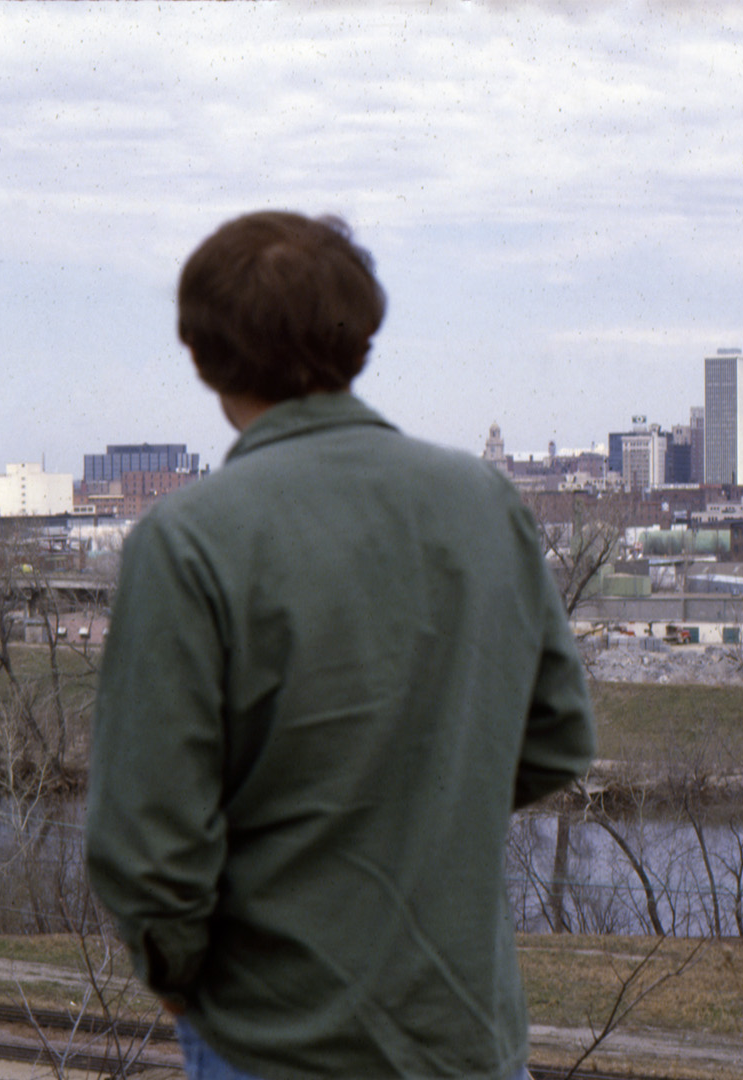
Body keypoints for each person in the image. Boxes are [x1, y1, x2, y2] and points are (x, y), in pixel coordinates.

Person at [85, 210, 595, 1080]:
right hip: (465, 1034)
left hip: (272, 1039)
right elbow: (555, 741)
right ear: (360, 340)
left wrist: (180, 982)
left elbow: (147, 838)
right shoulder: (483, 502)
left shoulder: (189, 538)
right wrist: (421, 803)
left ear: (204, 356)